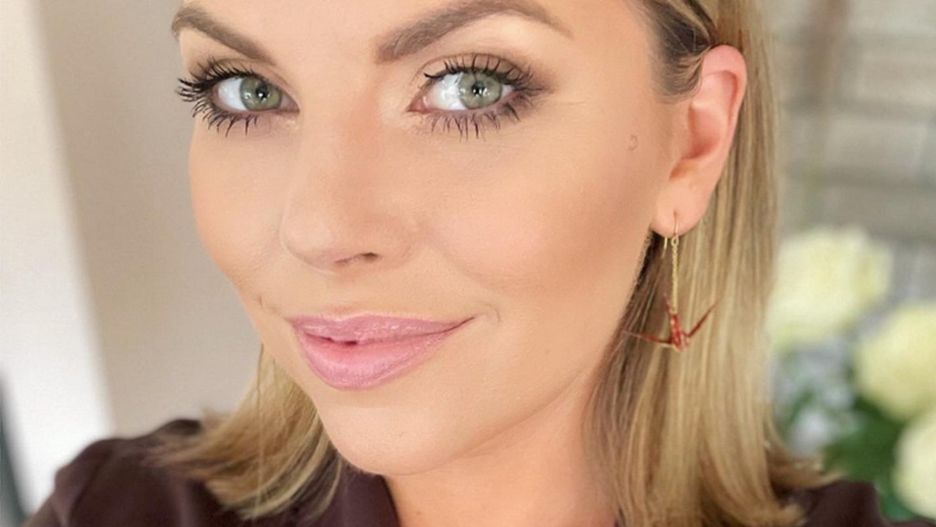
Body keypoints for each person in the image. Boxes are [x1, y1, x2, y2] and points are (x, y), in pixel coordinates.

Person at [24, 0, 936, 526]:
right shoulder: (117, 511)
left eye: (470, 85)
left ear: (690, 144)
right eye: (248, 91)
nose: (321, 228)